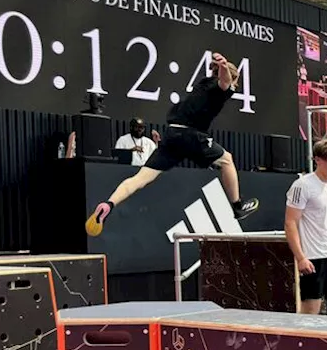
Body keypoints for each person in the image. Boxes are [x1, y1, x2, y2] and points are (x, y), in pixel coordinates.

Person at [85, 53, 259, 236]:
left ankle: (109, 204)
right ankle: (238, 207)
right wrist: (223, 65)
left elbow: (221, 79)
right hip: (190, 134)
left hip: (171, 135)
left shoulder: (202, 84)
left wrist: (220, 67)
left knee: (140, 179)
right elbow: (225, 81)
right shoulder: (220, 87)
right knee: (227, 160)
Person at [284, 138, 327, 316]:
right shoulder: (302, 185)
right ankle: (304, 342)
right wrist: (300, 258)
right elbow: (290, 222)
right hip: (313, 257)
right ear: (317, 160)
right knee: (310, 308)